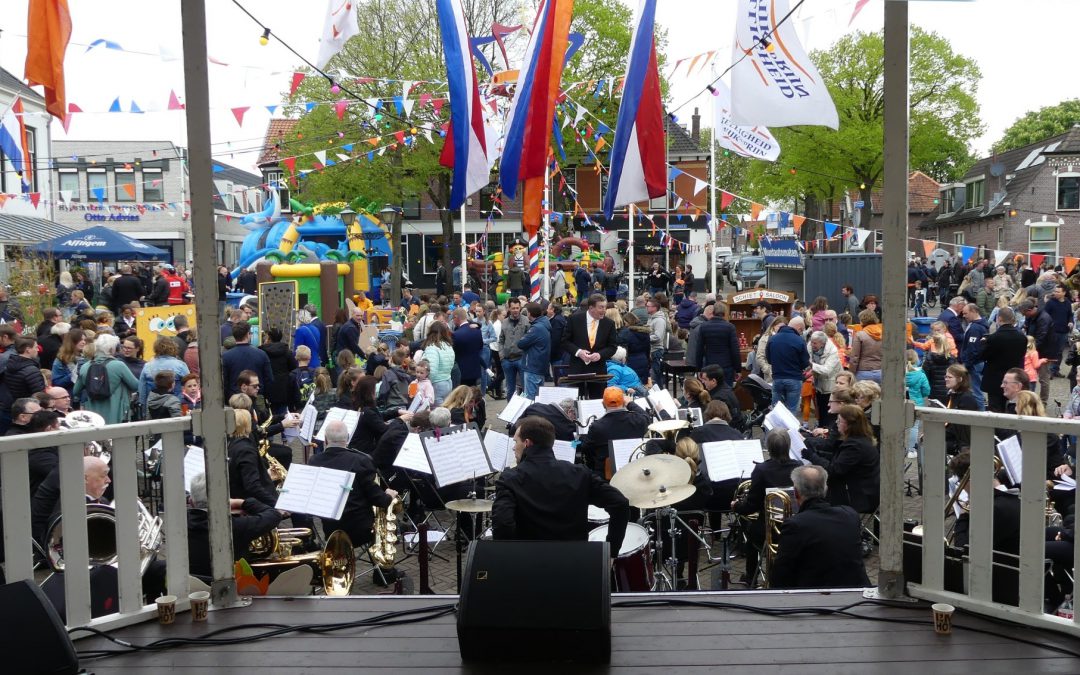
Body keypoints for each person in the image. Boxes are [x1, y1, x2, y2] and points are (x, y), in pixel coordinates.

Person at [492, 416, 629, 558]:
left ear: (527, 443)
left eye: (516, 441)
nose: (514, 447)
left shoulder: (510, 478)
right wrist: (611, 552)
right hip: (574, 564)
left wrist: (510, 560)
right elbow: (620, 504)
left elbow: (502, 524)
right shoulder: (580, 473)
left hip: (529, 563)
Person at [768, 465, 871, 589]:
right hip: (858, 590)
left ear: (795, 493)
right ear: (825, 489)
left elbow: (780, 575)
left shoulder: (795, 525)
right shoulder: (850, 514)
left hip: (816, 596)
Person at [310, 420, 397, 547]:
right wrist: (389, 495)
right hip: (360, 531)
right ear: (348, 438)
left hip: (331, 530)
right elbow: (379, 500)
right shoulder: (360, 460)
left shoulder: (314, 461)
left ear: (325, 439)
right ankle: (384, 565)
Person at [732, 429, 801, 584]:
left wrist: (736, 506)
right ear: (788, 446)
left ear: (768, 448)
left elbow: (751, 506)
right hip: (794, 521)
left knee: (751, 540)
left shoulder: (761, 470)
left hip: (769, 525)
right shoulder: (799, 466)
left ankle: (751, 577)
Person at [186, 471, 283, 579]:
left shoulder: (180, 525)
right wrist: (241, 502)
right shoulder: (235, 526)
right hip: (232, 586)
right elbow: (274, 515)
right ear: (225, 501)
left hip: (195, 585)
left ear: (191, 502)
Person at [801, 404, 879, 514]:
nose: (836, 423)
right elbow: (838, 459)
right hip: (860, 491)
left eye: (840, 421)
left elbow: (833, 470)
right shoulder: (859, 440)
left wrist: (811, 456)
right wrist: (816, 453)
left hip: (859, 497)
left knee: (812, 493)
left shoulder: (855, 446)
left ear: (849, 425)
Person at [946, 451, 1020, 555]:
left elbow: (962, 551)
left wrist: (963, 517)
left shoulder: (992, 509)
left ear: (969, 481)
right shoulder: (1011, 495)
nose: (962, 488)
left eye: (960, 482)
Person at [577, 387, 650, 473]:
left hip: (606, 476)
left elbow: (586, 448)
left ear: (603, 404)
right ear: (623, 402)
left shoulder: (596, 427)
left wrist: (578, 440)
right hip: (635, 471)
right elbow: (646, 416)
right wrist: (630, 403)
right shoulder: (638, 421)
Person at [73, 334, 140, 425]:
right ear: (111, 349)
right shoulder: (118, 365)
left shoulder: (85, 366)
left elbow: (76, 391)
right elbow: (136, 386)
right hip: (116, 413)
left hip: (93, 415)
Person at [561, 294, 617, 399]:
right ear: (591, 308)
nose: (604, 310)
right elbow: (565, 341)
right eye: (601, 307)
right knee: (576, 403)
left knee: (597, 403)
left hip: (599, 372)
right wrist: (578, 352)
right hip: (577, 370)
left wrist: (600, 355)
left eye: (605, 307)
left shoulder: (609, 323)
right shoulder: (574, 319)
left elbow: (612, 347)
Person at [227, 408, 277, 508]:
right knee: (299, 513)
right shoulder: (246, 450)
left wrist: (265, 475)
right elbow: (252, 486)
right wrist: (276, 504)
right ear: (247, 424)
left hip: (239, 495)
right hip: (252, 503)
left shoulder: (230, 443)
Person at [0, 336, 46, 433]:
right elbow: (39, 395)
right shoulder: (32, 371)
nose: (38, 349)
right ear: (28, 350)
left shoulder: (9, 365)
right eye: (35, 347)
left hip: (12, 409)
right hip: (28, 413)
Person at [766, 315, 809, 412]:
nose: (801, 333)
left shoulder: (772, 339)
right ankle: (790, 428)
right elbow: (805, 362)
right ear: (799, 328)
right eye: (801, 331)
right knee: (791, 410)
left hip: (777, 378)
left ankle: (775, 427)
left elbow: (769, 360)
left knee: (776, 410)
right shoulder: (799, 340)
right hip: (794, 379)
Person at [138, 336, 190, 413]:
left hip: (153, 409)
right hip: (176, 407)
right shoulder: (180, 365)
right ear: (173, 348)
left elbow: (142, 391)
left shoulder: (147, 366)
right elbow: (189, 385)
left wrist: (143, 412)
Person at [222, 322, 272, 398]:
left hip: (235, 398)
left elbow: (224, 382)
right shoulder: (261, 354)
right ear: (248, 334)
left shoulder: (226, 356)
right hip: (256, 397)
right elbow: (269, 379)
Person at [695, 305, 742, 387]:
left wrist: (699, 369)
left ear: (713, 313)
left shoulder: (703, 327)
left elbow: (699, 349)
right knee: (726, 392)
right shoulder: (730, 327)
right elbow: (735, 350)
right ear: (724, 313)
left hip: (709, 366)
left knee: (711, 391)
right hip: (726, 366)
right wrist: (738, 369)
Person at [1019, 299, 1054, 404]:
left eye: (1024, 313)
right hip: (1033, 350)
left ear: (1029, 310)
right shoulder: (1030, 317)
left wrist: (1030, 349)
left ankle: (1043, 402)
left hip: (1044, 352)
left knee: (1043, 379)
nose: (1023, 315)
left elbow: (1041, 337)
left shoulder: (1044, 318)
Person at [944, 364, 981, 454]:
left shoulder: (966, 398)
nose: (946, 379)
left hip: (960, 443)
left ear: (960, 379)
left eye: (950, 377)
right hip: (952, 437)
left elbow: (963, 429)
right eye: (945, 376)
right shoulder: (952, 394)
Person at [959, 303, 990, 410]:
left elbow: (973, 349)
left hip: (974, 364)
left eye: (966, 313)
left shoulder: (975, 328)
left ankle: (980, 415)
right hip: (977, 363)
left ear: (973, 312)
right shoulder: (979, 325)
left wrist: (966, 364)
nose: (964, 316)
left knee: (977, 392)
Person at [517, 302, 551, 399]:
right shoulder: (544, 324)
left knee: (529, 399)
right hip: (540, 368)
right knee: (537, 398)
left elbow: (521, 343)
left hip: (532, 367)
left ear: (529, 313)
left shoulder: (536, 328)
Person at [498, 298, 529, 400]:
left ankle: (525, 410)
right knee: (510, 388)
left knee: (525, 387)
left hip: (521, 358)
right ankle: (510, 412)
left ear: (520, 308)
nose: (515, 310)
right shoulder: (505, 322)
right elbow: (501, 339)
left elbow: (530, 339)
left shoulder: (526, 321)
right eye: (513, 308)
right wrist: (501, 355)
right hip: (507, 360)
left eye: (517, 308)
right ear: (509, 309)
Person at [511, 398, 577, 442]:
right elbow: (574, 445)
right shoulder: (567, 428)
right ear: (570, 412)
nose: (576, 421)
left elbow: (514, 428)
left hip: (517, 439)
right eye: (576, 417)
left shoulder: (535, 406)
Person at [451, 308, 483, 387]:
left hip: (461, 371)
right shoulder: (477, 331)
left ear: (456, 317)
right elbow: (480, 346)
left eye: (453, 318)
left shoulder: (456, 334)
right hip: (474, 369)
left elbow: (453, 352)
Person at [849, 309, 883, 384]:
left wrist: (851, 373)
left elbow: (855, 357)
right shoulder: (883, 334)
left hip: (863, 372)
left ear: (862, 320)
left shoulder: (860, 335)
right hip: (881, 372)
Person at [618, 312, 652, 385]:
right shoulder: (645, 332)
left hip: (631, 361)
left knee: (631, 384)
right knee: (642, 385)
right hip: (643, 360)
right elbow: (648, 349)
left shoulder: (626, 333)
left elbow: (624, 350)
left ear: (626, 322)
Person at [645, 296, 670, 389]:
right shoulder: (652, 318)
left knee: (656, 375)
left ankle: (660, 393)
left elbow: (658, 336)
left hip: (656, 351)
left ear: (654, 308)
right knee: (655, 374)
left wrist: (645, 338)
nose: (646, 307)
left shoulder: (659, 320)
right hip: (652, 350)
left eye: (648, 306)